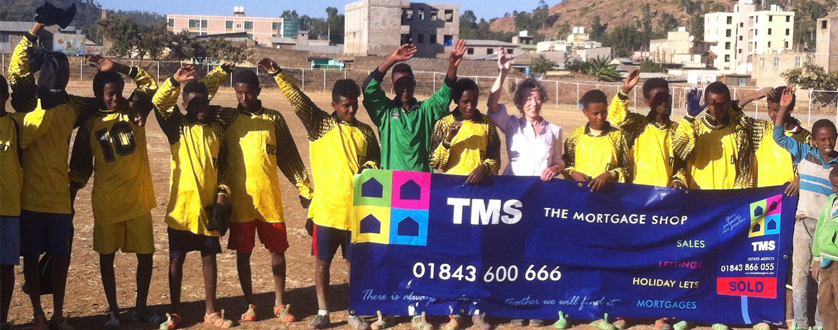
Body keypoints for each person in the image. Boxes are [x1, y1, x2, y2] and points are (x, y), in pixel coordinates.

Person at [259, 58, 383, 330]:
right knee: (322, 264)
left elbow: (376, 162)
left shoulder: (366, 133)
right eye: (345, 105)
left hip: (356, 212)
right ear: (334, 106)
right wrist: (278, 73)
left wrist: (370, 166)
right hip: (326, 211)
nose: (351, 110)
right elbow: (299, 101)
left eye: (354, 104)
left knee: (354, 265)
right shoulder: (320, 125)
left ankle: (354, 311)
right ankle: (324, 312)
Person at [8, 22, 98, 330]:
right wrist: (34, 30)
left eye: (66, 74)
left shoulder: (73, 105)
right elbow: (15, 71)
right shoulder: (28, 101)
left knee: (60, 257)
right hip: (29, 196)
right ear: (44, 75)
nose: (62, 78)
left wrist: (77, 178)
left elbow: (100, 107)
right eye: (56, 73)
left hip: (60, 196)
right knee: (31, 257)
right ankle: (37, 314)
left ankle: (58, 313)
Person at [214, 68, 313, 323]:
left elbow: (289, 156)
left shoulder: (274, 118)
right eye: (238, 93)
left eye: (248, 93)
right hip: (241, 202)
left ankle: (280, 302)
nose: (243, 98)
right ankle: (250, 304)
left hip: (269, 199)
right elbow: (197, 99)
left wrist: (304, 188)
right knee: (243, 254)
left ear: (258, 91)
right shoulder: (226, 117)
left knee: (277, 251)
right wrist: (218, 73)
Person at [68, 55, 159, 330]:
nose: (116, 98)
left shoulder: (136, 110)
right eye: (110, 94)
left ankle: (140, 308)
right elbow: (79, 168)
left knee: (146, 255)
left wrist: (117, 67)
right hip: (107, 202)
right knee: (107, 258)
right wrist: (69, 203)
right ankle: (113, 311)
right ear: (98, 96)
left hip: (138, 200)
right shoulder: (89, 126)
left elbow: (149, 83)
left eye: (118, 92)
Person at [152, 65, 235, 329]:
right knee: (176, 259)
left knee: (209, 258)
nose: (202, 107)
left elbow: (224, 169)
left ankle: (211, 311)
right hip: (181, 209)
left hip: (208, 208)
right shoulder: (176, 126)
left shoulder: (217, 131)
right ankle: (175, 311)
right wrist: (175, 81)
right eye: (195, 102)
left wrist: (223, 195)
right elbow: (159, 102)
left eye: (205, 101)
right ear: (184, 105)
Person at [774, 86, 832, 330]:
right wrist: (784, 109)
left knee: (822, 278)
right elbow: (778, 136)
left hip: (826, 228)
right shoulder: (805, 153)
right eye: (822, 139)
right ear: (815, 140)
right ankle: (800, 322)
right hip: (803, 223)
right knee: (799, 276)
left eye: (831, 138)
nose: (827, 143)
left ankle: (820, 322)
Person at [362, 39, 466, 172]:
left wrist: (453, 66)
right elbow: (368, 88)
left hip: (421, 183)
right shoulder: (385, 112)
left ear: (414, 83)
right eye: (400, 84)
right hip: (392, 181)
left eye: (408, 83)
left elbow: (445, 94)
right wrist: (393, 59)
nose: (405, 88)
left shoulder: (425, 111)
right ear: (392, 86)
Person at [0, 74, 52, 330]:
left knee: (5, 267)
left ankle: (1, 319)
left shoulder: (16, 125)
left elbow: (39, 118)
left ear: (5, 97)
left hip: (7, 210)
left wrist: (45, 89)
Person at [486, 47, 564, 182]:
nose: (533, 103)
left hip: (540, 190)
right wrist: (503, 73)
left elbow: (559, 162)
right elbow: (492, 104)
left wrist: (554, 169)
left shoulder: (554, 130)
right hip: (514, 188)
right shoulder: (511, 125)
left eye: (537, 98)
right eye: (528, 99)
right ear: (519, 103)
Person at [672, 82, 760, 189]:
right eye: (713, 105)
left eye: (722, 104)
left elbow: (745, 171)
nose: (717, 110)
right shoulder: (695, 128)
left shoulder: (738, 132)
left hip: (726, 200)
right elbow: (679, 152)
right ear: (705, 103)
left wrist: (736, 197)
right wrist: (689, 116)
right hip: (698, 197)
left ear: (728, 103)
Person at [608, 69, 686, 189]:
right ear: (647, 101)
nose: (663, 102)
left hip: (665, 195)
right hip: (638, 193)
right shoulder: (638, 124)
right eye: (657, 99)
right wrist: (625, 90)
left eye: (665, 97)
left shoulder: (676, 129)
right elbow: (617, 117)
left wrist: (678, 180)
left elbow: (682, 164)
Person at [738, 86, 812, 194]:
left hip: (788, 197)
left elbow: (817, 166)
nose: (771, 114)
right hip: (760, 197)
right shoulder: (760, 129)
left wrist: (802, 178)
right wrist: (754, 96)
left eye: (777, 110)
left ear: (790, 109)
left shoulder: (805, 138)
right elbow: (732, 114)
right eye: (769, 108)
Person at [430, 77, 501, 181]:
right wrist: (449, 139)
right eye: (465, 102)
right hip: (453, 186)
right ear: (456, 101)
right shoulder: (444, 123)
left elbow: (496, 159)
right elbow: (434, 162)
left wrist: (484, 167)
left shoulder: (487, 123)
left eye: (474, 101)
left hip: (480, 187)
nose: (470, 106)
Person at [563, 90, 632, 192]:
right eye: (595, 113)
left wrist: (609, 174)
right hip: (581, 193)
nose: (600, 117)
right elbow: (566, 165)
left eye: (604, 112)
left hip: (609, 195)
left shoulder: (618, 136)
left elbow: (628, 169)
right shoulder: (575, 136)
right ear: (585, 112)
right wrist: (573, 173)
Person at [812, 167, 838, 330]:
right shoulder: (831, 200)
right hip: (825, 260)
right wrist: (816, 258)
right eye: (834, 186)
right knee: (825, 304)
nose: (835, 189)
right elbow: (821, 226)